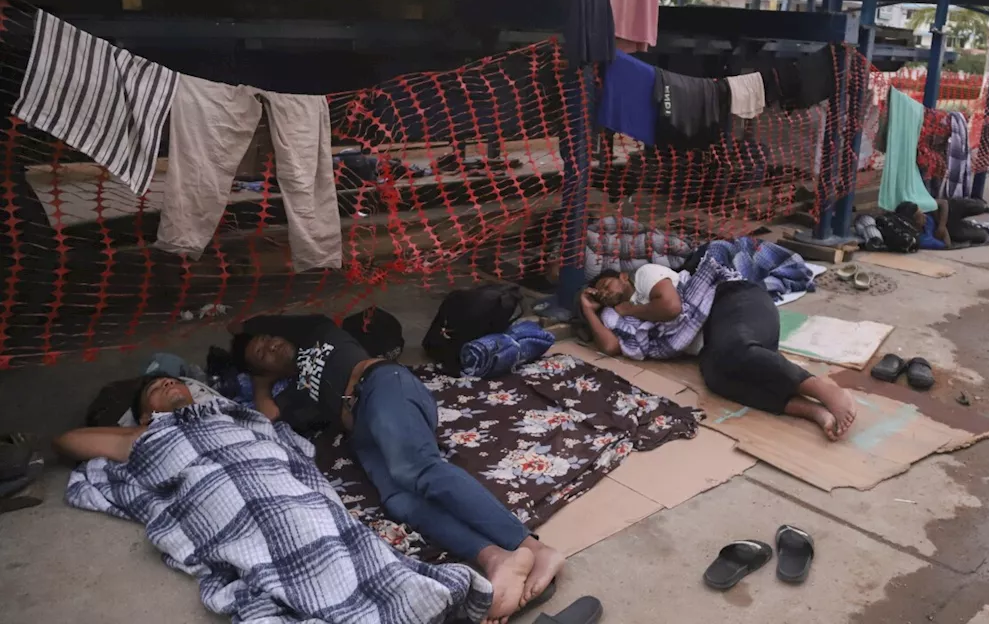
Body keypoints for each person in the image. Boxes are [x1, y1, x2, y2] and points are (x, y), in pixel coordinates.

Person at [55, 375, 498, 624]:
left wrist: (261, 381)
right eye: (156, 388)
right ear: (148, 411)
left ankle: (404, 599)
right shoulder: (147, 436)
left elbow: (267, 418)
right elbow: (68, 440)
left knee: (332, 528)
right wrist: (142, 428)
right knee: (278, 543)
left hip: (278, 479)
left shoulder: (230, 413)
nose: (169, 383)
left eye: (174, 380)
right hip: (224, 493)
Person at [228, 314, 562, 620]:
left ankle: (533, 548)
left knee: (415, 470)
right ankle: (496, 558)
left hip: (382, 385)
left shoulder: (315, 330)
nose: (270, 345)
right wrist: (261, 380)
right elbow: (267, 416)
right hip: (360, 427)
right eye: (263, 354)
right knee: (399, 501)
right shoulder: (297, 393)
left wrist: (248, 334)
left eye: (269, 339)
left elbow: (247, 322)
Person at [579, 264, 858, 441]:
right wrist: (588, 308)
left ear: (623, 277)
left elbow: (672, 307)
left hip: (733, 300)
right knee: (716, 378)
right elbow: (610, 346)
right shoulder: (618, 319)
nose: (604, 293)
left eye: (607, 285)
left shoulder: (643, 277)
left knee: (734, 348)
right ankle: (809, 410)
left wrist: (628, 308)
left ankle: (826, 391)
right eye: (599, 294)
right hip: (713, 336)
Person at [895, 197, 989, 250]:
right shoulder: (923, 238)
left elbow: (943, 203)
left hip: (945, 212)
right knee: (982, 236)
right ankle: (965, 225)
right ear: (915, 222)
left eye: (923, 213)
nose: (924, 216)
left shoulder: (917, 208)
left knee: (979, 207)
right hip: (948, 230)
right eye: (921, 216)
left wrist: (941, 224)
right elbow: (947, 244)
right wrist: (943, 229)